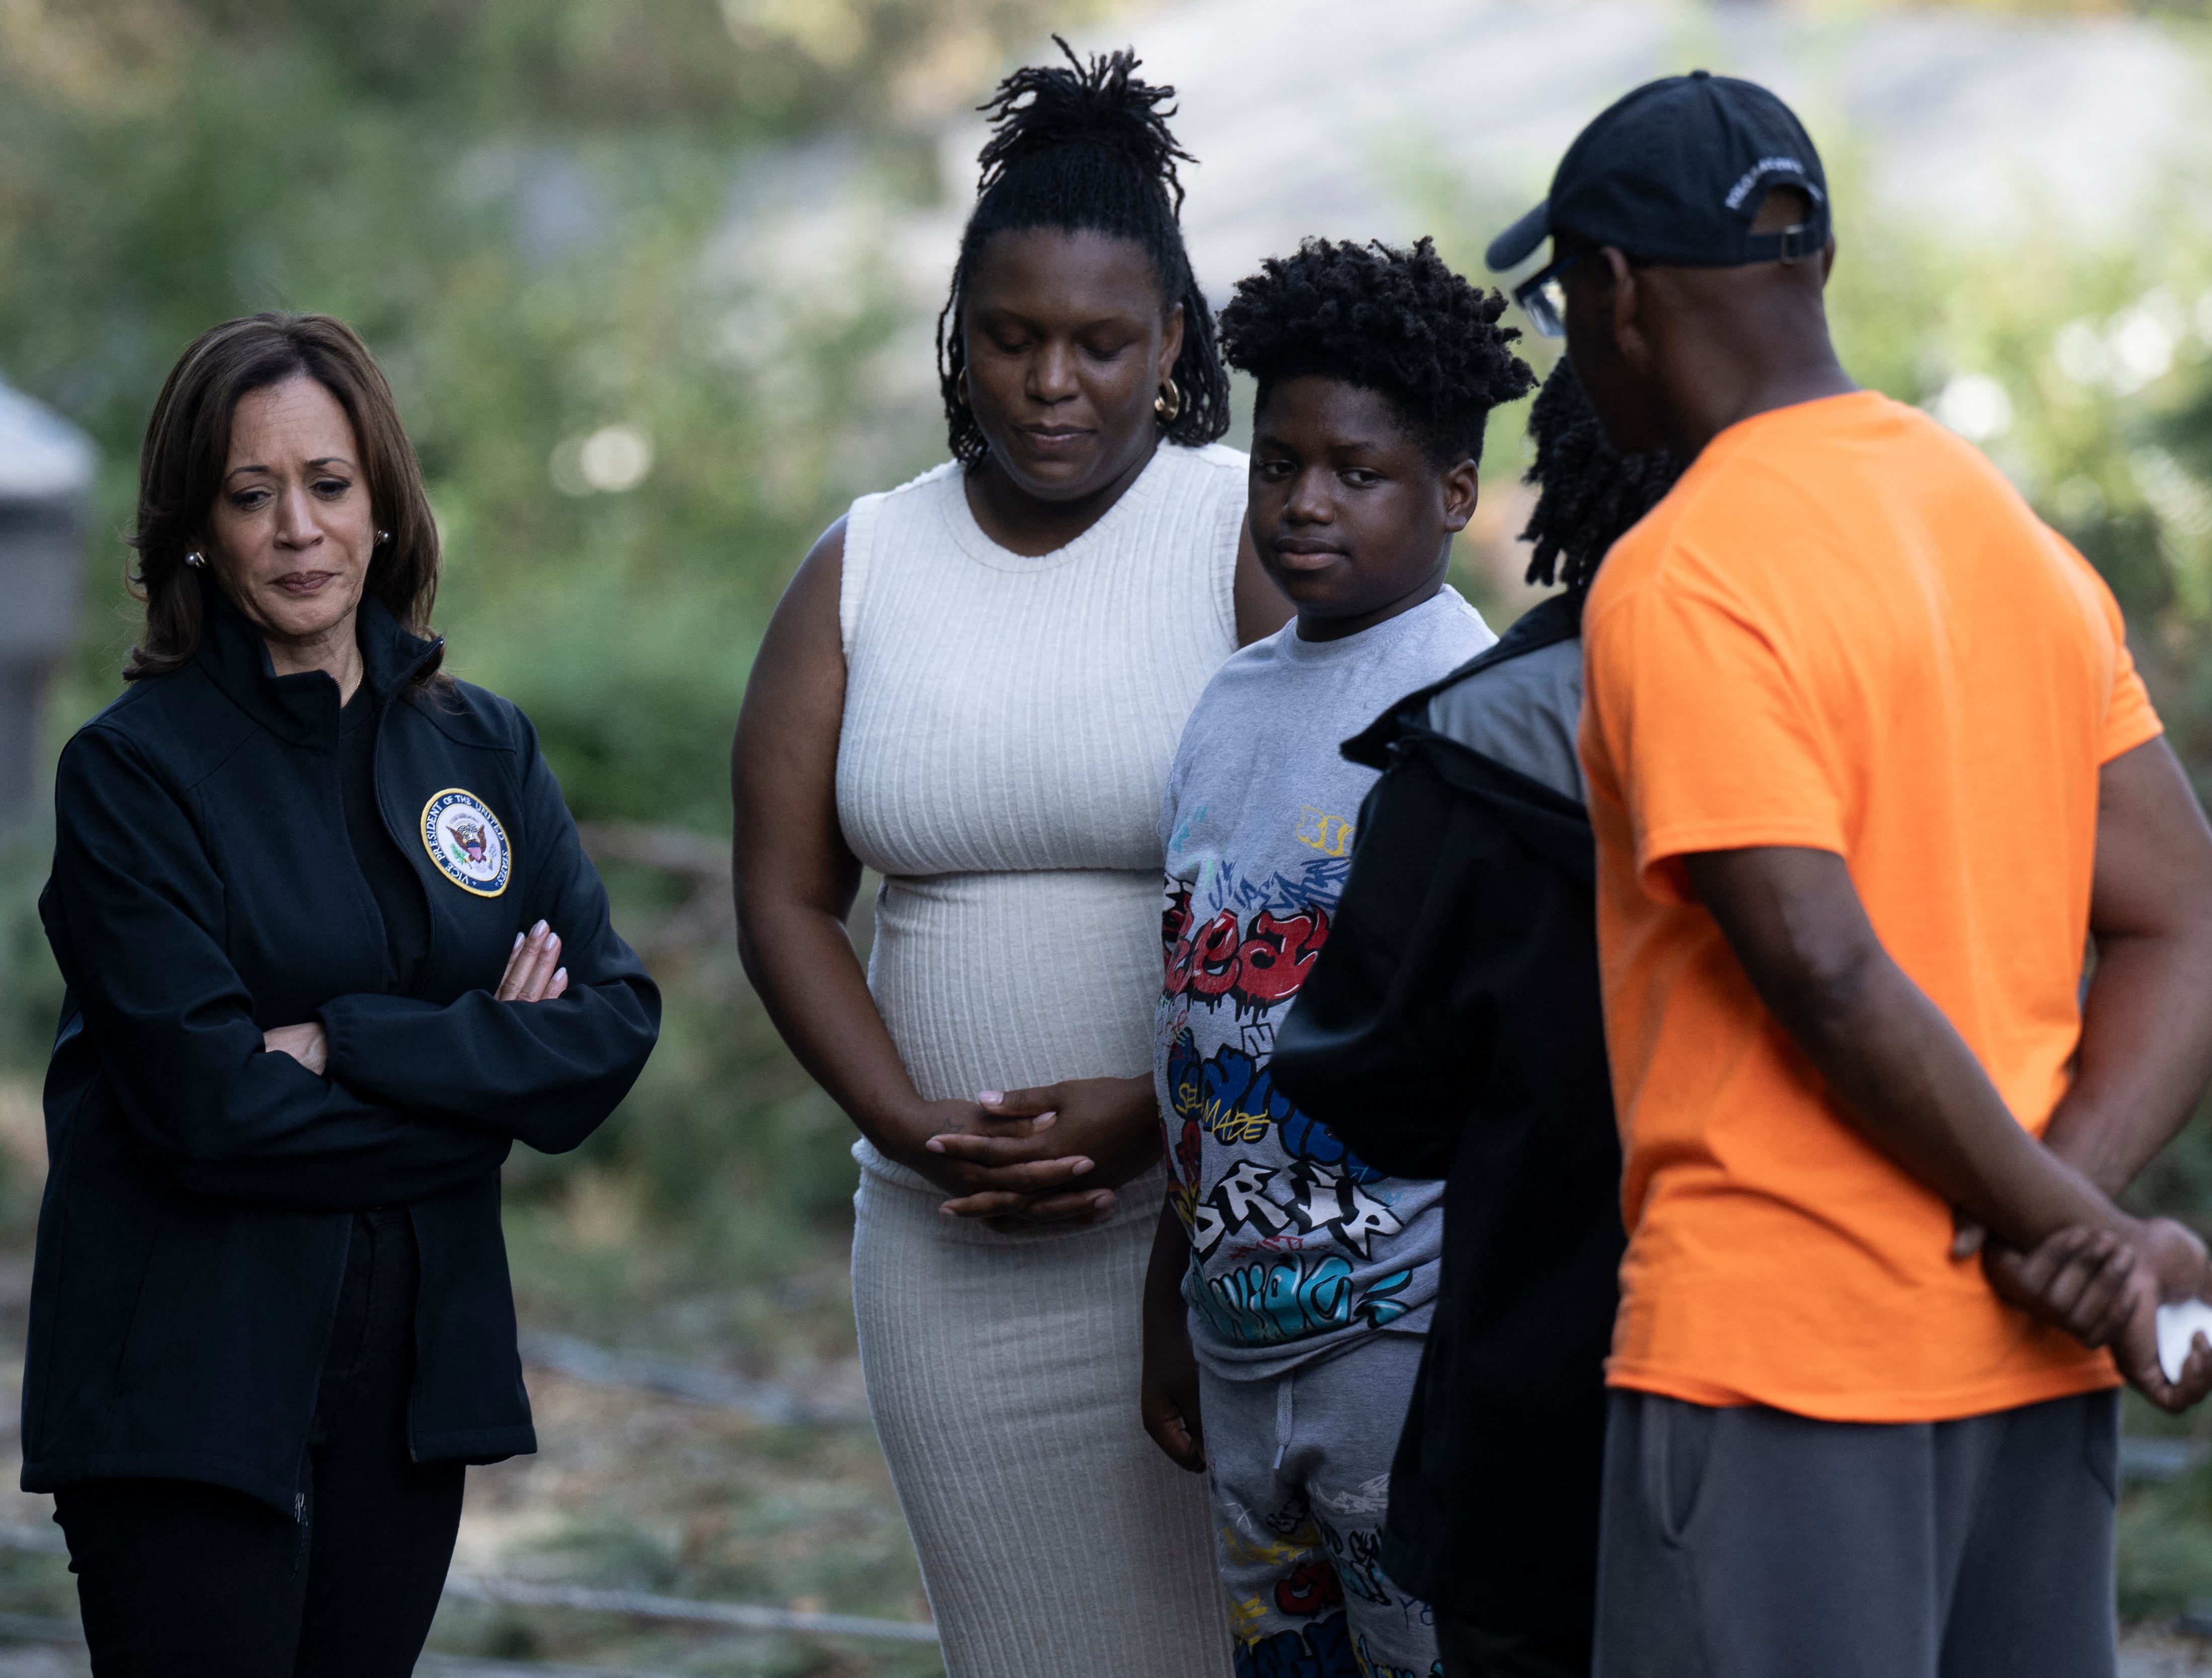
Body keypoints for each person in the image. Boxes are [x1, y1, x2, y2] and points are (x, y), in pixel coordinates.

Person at [1487, 73, 2212, 1674]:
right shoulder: (2009, 540)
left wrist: (2065, 1228)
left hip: (1782, 1366)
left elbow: (1824, 967)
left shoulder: (1688, 576)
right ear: (1813, 266)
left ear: (1618, 293)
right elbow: (2198, 924)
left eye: (1566, 300)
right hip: (2025, 1371)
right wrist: (2079, 1224)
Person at [730, 43, 1289, 1677]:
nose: (1055, 382)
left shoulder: (1252, 529)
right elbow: (782, 894)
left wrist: (1167, 1118)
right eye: (1015, 338)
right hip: (944, 1254)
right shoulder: (870, 560)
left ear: (1174, 340)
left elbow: (1370, 852)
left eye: (1104, 344)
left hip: (1210, 1233)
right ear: (958, 339)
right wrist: (907, 1122)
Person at [30, 311, 661, 1676]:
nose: (299, 529)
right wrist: (483, 1075)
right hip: (185, 1387)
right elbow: (206, 1110)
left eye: (329, 485)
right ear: (198, 525)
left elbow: (607, 1029)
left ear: (384, 505)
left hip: (406, 1389)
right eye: (253, 495)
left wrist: (344, 1042)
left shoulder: (478, 744)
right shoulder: (134, 775)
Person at [1139, 236, 1531, 1678]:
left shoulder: (1478, 715)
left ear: (1452, 494)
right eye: (1276, 463)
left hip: (1404, 1339)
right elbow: (1189, 1019)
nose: (1303, 504)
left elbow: (1516, 1067)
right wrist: (1172, 1292)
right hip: (1236, 1335)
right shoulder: (1230, 705)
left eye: (1354, 473)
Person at [1267, 360, 1676, 1678]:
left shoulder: (1467, 752)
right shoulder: (1857, 711)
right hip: (1808, 1395)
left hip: (1533, 1393)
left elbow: (1370, 1079)